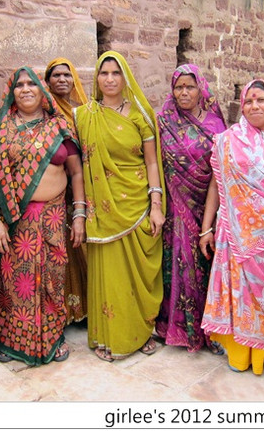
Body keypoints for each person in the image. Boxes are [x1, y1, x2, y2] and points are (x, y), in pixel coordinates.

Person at [0, 66, 85, 366]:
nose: (25, 89)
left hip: (53, 218)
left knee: (53, 279)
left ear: (42, 90)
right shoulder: (1, 128)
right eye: (19, 84)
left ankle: (53, 338)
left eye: (32, 83)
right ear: (11, 92)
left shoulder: (60, 126)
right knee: (15, 283)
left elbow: (76, 172)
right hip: (16, 219)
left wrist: (79, 213)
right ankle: (11, 341)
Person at [200, 79, 264, 377]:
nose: (254, 106)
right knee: (242, 296)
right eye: (248, 101)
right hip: (236, 234)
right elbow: (217, 185)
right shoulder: (229, 140)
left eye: (261, 100)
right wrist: (206, 229)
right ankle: (241, 353)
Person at [74, 51, 166, 362]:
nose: (110, 79)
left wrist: (156, 205)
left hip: (137, 204)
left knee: (138, 275)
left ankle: (141, 331)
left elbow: (151, 162)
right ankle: (108, 335)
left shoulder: (140, 116)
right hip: (102, 209)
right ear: (96, 78)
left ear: (125, 77)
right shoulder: (84, 116)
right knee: (110, 275)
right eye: (104, 73)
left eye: (116, 73)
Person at [155, 64, 227, 354]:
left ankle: (206, 329)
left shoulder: (216, 125)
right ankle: (172, 326)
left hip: (206, 208)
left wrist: (209, 222)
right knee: (175, 265)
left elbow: (220, 173)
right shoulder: (163, 121)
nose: (184, 92)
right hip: (174, 209)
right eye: (178, 87)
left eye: (190, 87)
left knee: (203, 265)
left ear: (201, 89)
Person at [45, 57, 89, 324]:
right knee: (60, 250)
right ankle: (60, 310)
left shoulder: (82, 112)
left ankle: (82, 308)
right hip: (56, 192)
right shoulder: (45, 112)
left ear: (74, 80)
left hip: (82, 188)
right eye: (56, 75)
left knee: (80, 247)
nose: (62, 79)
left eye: (67, 75)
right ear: (47, 81)